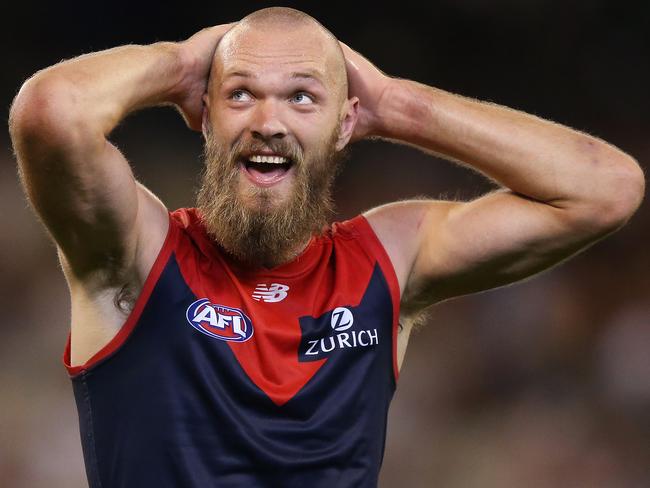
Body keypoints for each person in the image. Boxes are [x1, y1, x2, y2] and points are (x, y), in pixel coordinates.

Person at [8, 6, 644, 488]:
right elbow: (51, 112)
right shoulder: (138, 253)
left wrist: (398, 104)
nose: (269, 120)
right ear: (204, 111)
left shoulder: (389, 260)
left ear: (346, 124)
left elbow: (606, 188)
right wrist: (178, 63)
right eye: (240, 93)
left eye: (302, 96)